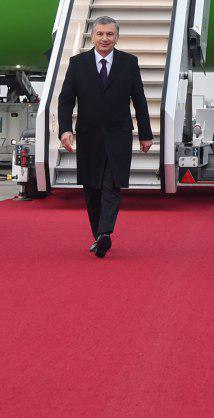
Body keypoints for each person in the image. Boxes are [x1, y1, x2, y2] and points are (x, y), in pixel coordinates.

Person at [57, 16, 153, 258]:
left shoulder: (129, 63)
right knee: (92, 187)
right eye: (100, 34)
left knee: (112, 184)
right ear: (92, 36)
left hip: (118, 135)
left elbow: (139, 100)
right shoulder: (77, 63)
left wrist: (145, 134)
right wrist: (65, 129)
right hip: (88, 136)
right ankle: (98, 235)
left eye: (109, 34)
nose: (104, 38)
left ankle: (105, 232)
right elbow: (66, 99)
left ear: (116, 37)